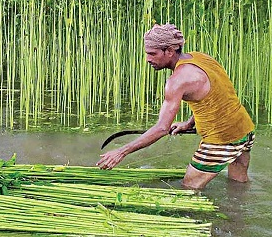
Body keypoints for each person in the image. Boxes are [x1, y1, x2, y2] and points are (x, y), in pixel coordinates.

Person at [97, 23, 255, 189]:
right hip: (245, 130)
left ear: (170, 51)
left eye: (152, 54)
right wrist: (189, 123)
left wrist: (121, 152)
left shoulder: (177, 81)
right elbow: (218, 96)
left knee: (188, 188)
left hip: (222, 140)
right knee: (238, 188)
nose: (148, 59)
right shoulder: (201, 58)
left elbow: (161, 128)